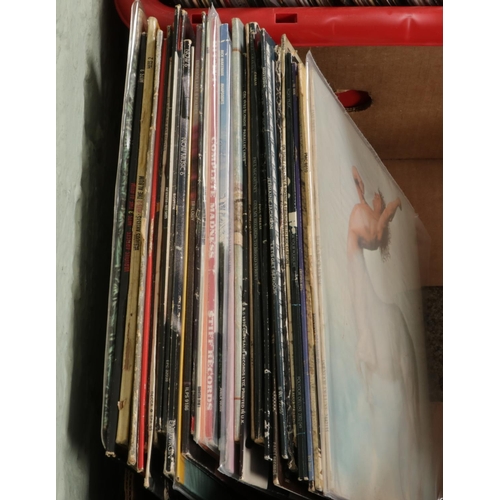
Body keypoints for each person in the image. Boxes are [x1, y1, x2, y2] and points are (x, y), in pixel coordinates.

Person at [347, 166, 421, 499]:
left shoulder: (360, 217)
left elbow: (374, 236)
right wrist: (384, 208)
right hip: (364, 306)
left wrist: (382, 207)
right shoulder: (359, 215)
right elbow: (375, 235)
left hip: (365, 304)